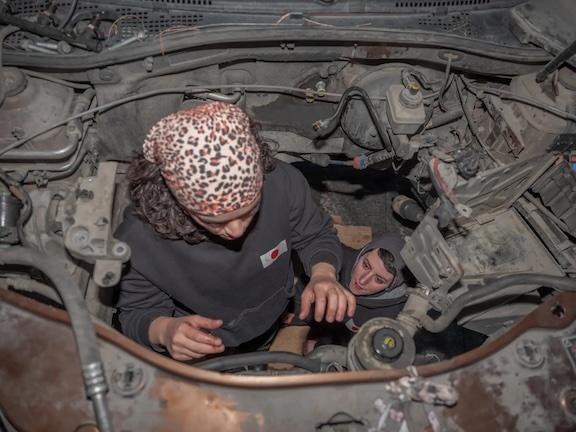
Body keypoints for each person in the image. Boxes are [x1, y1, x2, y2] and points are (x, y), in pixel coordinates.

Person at [114, 101, 356, 361]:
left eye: (250, 211)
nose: (237, 230)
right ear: (176, 202)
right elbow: (136, 312)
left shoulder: (282, 182)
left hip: (271, 317)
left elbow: (316, 235)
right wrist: (164, 331)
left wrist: (323, 275)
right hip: (203, 340)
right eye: (215, 221)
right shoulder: (139, 240)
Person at [289, 233, 408, 351]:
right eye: (366, 265)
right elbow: (308, 281)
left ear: (391, 287)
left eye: (378, 280)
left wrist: (321, 346)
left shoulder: (390, 317)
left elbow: (359, 346)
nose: (362, 280)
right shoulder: (336, 258)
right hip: (317, 318)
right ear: (362, 253)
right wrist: (295, 306)